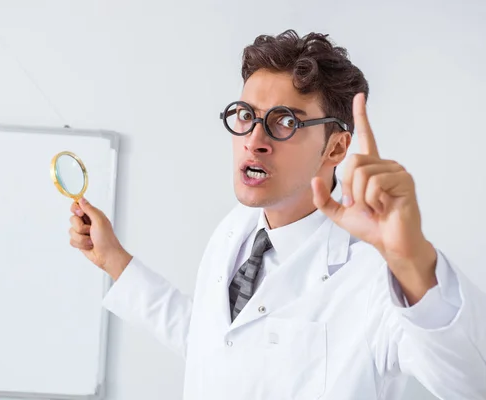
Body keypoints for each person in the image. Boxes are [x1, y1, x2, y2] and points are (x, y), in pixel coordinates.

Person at [68, 30, 486, 399]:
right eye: (247, 116)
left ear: (336, 148)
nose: (254, 140)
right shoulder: (237, 228)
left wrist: (412, 260)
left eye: (284, 121)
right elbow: (214, 348)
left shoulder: (378, 277)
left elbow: (472, 383)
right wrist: (114, 261)